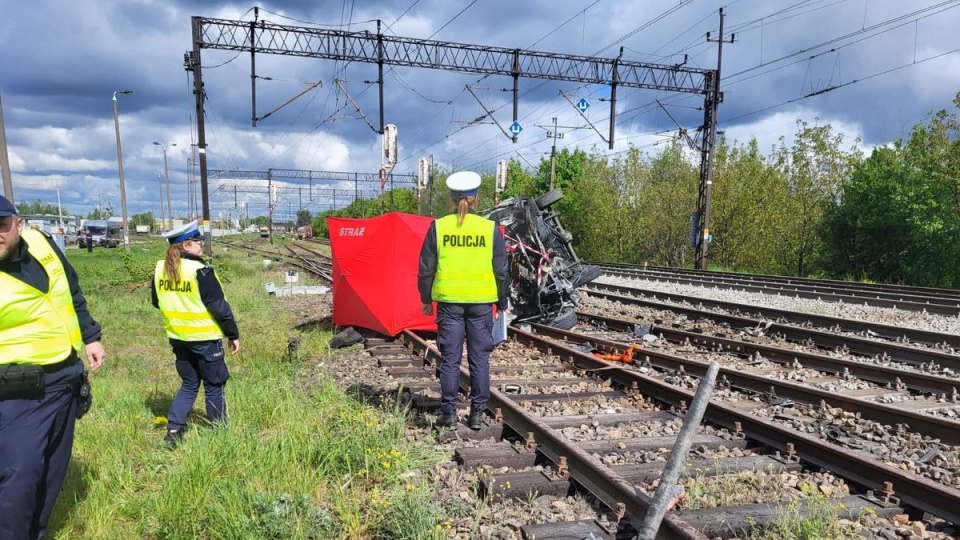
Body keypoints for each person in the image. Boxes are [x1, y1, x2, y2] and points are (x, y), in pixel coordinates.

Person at [0, 195, 106, 539]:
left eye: (1, 226)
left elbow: (70, 288)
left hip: (65, 378)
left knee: (51, 471)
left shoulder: (42, 243)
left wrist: (90, 335)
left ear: (18, 224)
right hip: (16, 390)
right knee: (20, 474)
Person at [418, 171, 509, 430]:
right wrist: (502, 302)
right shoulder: (489, 228)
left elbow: (426, 267)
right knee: (480, 359)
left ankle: (448, 415)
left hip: (449, 303)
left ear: (450, 198)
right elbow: (501, 270)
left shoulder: (439, 227)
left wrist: (425, 299)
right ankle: (477, 414)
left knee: (450, 359)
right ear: (476, 198)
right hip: (481, 303)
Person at [151, 220, 239, 449]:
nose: (202, 245)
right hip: (205, 339)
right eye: (198, 242)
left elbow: (156, 301)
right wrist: (233, 334)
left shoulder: (160, 268)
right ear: (187, 246)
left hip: (178, 338)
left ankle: (173, 432)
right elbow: (219, 307)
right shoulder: (201, 271)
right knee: (214, 385)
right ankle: (220, 435)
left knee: (189, 384)